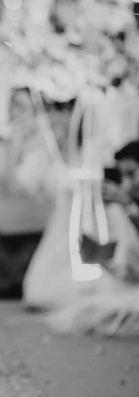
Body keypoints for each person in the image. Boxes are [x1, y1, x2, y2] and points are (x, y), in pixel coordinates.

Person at [46, 140, 139, 337]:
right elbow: (130, 266)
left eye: (131, 174)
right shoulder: (125, 209)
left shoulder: (130, 208)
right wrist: (98, 257)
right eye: (122, 175)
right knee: (85, 311)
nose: (126, 182)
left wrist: (130, 209)